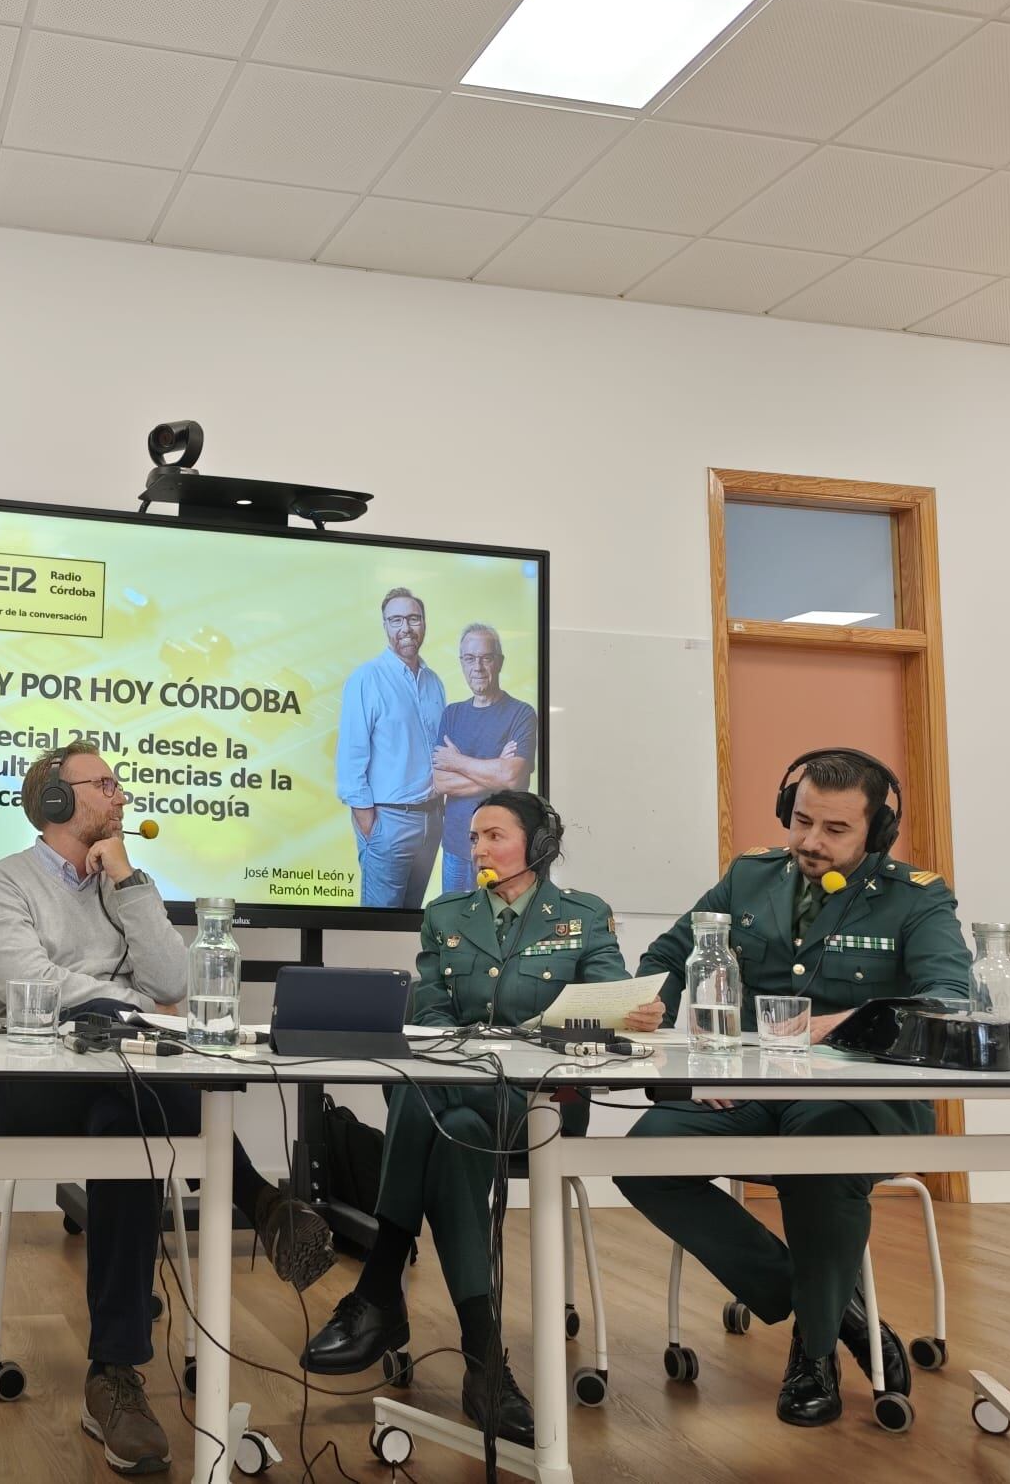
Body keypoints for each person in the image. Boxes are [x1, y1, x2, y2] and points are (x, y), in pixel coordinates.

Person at [0, 741, 335, 1478]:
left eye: (117, 784)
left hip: (120, 1087)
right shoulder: (0, 884)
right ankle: (260, 1199)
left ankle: (114, 1375)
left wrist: (131, 883)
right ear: (55, 802)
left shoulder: (124, 882)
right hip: (24, 1079)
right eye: (103, 785)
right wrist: (132, 1009)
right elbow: (29, 983)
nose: (120, 796)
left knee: (133, 1126)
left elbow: (174, 976)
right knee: (141, 1088)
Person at [618, 748, 972, 1427]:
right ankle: (836, 1309)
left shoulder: (915, 896)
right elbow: (668, 954)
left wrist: (835, 1027)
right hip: (751, 1089)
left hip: (861, 1103)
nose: (811, 842)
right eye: (802, 821)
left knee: (818, 1155)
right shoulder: (749, 879)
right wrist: (653, 1005)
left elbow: (946, 998)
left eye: (835, 830)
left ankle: (813, 1355)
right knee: (644, 1157)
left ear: (877, 832)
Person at [299, 791, 641, 1444]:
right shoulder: (446, 914)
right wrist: (464, 1049)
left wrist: (614, 1012)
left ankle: (378, 1289)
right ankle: (484, 1363)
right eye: (473, 838)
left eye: (493, 836)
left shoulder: (582, 915)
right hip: (464, 1100)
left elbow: (607, 1000)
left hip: (540, 1104)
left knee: (420, 1101)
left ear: (538, 845)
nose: (476, 849)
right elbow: (426, 1011)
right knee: (450, 1126)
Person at [337, 588, 448, 910]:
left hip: (431, 820)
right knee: (378, 925)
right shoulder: (367, 679)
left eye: (414, 619)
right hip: (389, 821)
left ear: (424, 623)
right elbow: (351, 758)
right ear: (385, 625)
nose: (406, 628)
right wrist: (371, 826)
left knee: (411, 923)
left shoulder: (433, 681)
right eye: (396, 620)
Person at [433, 624, 537, 894]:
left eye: (485, 658)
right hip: (456, 849)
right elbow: (440, 782)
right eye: (469, 658)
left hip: (503, 855)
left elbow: (511, 776)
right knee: (451, 931)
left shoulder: (522, 714)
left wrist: (456, 761)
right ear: (462, 663)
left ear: (499, 662)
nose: (477, 667)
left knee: (499, 931)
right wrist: (495, 772)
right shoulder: (452, 714)